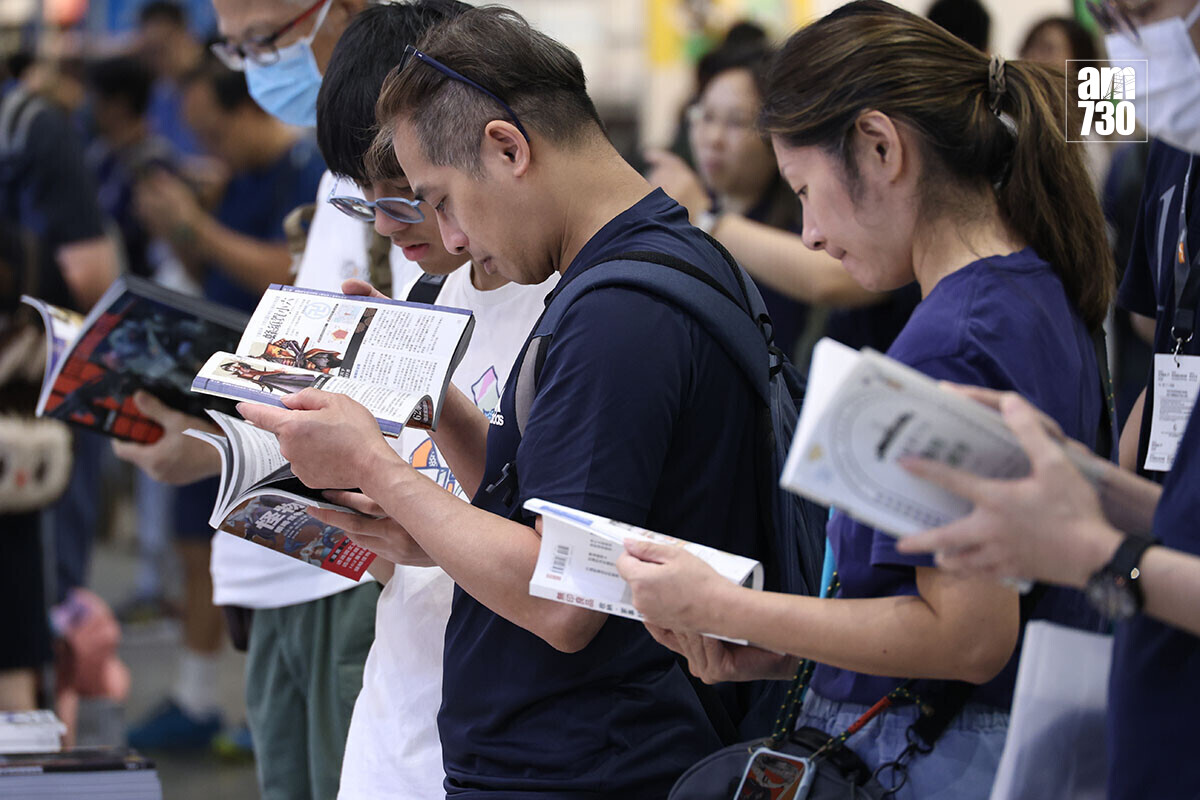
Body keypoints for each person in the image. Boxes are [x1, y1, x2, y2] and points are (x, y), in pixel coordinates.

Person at [240, 6, 775, 796]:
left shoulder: (619, 314)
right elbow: (542, 510)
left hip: (595, 761)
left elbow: (565, 603)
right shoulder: (637, 273)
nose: (449, 241)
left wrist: (377, 470)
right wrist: (439, 401)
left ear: (507, 147)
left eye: (440, 199)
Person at [616, 3, 1113, 798]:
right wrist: (786, 652)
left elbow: (969, 637)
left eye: (807, 191)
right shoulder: (1031, 290)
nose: (809, 233)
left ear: (881, 148)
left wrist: (729, 608)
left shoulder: (956, 339)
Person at [897, 2, 1200, 797]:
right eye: (1110, 18)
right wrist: (1093, 485)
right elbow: (1159, 321)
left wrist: (1097, 556)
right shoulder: (1179, 144)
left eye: (1142, 14)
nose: (1127, 42)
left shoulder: (1129, 114)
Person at [310, 6, 563, 797]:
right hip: (396, 724)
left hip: (506, 741)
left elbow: (557, 578)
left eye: (411, 196)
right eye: (364, 199)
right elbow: (403, 562)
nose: (388, 226)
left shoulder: (578, 306)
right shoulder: (425, 295)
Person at [123, 58, 327, 757]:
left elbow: (286, 274)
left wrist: (194, 227)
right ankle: (201, 694)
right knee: (203, 546)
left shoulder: (309, 177)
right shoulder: (233, 181)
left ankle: (219, 700)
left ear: (247, 110)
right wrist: (188, 222)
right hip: (216, 393)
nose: (209, 150)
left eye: (213, 133)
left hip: (281, 408)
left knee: (270, 548)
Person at [0, 57, 118, 712]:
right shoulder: (33, 127)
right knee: (34, 615)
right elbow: (90, 277)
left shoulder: (29, 129)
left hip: (24, 428)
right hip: (30, 422)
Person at [645, 39, 878, 361]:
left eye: (735, 122)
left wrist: (704, 217)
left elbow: (841, 279)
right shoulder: (696, 203)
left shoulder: (809, 214)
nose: (713, 138)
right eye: (706, 116)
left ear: (779, 134)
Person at [209, 0, 422, 295]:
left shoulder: (432, 156)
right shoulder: (336, 186)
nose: (252, 67)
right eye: (235, 49)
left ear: (346, 8)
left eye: (261, 39)